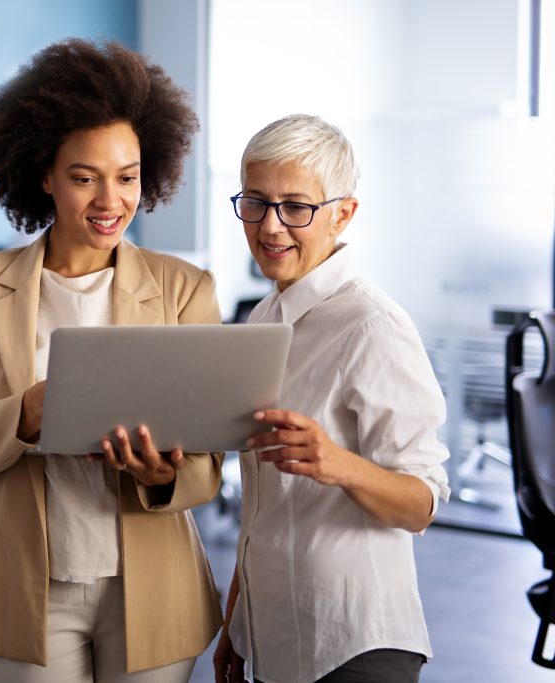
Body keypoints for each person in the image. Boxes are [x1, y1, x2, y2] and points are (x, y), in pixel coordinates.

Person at [0, 39, 224, 682]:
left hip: (152, 581)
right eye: (84, 177)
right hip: (25, 584)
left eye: (127, 177)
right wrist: (29, 411)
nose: (110, 200)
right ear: (45, 174)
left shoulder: (185, 290)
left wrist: (161, 475)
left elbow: (208, 468)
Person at [214, 114, 450, 683]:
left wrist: (337, 463)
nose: (271, 226)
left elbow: (422, 503)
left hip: (355, 644)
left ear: (343, 214)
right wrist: (237, 625)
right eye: (256, 202)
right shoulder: (263, 318)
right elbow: (262, 508)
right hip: (276, 638)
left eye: (296, 207)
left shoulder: (372, 324)